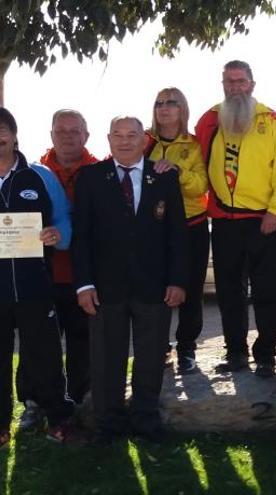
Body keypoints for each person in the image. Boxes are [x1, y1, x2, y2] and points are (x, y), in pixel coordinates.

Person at [72, 116, 187, 443]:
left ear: (144, 140)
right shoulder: (91, 178)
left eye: (132, 135)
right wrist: (83, 284)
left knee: (151, 357)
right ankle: (108, 425)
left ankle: (146, 420)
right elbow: (81, 237)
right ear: (108, 139)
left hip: (154, 286)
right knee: (107, 358)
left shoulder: (163, 177)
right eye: (118, 135)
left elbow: (177, 234)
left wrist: (178, 280)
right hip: (105, 288)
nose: (124, 141)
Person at [194, 60, 276, 376]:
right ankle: (236, 352)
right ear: (222, 83)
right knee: (228, 291)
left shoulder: (270, 119)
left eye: (241, 81)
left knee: (267, 290)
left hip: (262, 220)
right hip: (224, 220)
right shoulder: (210, 119)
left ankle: (265, 353)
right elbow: (195, 160)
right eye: (229, 81)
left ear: (252, 84)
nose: (235, 87)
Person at [0, 107, 76, 445]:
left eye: (3, 130)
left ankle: (57, 419)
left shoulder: (40, 175)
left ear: (14, 136)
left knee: (45, 355)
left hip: (35, 285)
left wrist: (57, 235)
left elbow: (64, 220)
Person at [18, 109, 97, 432]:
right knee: (36, 344)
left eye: (74, 130)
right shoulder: (32, 172)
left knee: (83, 341)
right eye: (60, 131)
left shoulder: (101, 172)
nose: (67, 136)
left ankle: (80, 401)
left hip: (85, 276)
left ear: (86, 136)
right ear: (51, 135)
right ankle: (33, 403)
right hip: (40, 275)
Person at [145, 87, 209, 374]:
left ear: (182, 109)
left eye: (171, 103)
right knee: (155, 290)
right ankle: (159, 348)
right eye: (159, 103)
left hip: (191, 226)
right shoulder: (144, 142)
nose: (164, 108)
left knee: (190, 290)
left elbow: (201, 186)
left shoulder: (195, 146)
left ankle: (186, 349)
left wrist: (177, 172)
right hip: (155, 228)